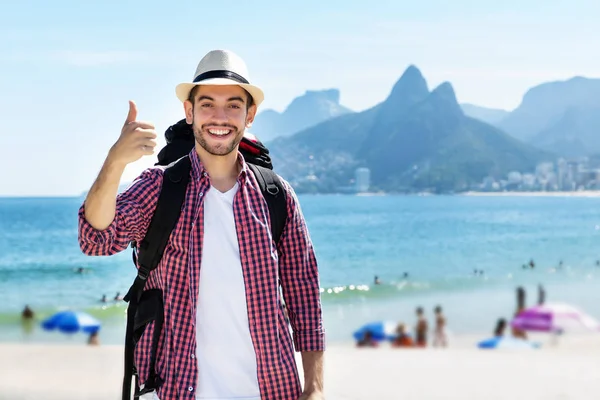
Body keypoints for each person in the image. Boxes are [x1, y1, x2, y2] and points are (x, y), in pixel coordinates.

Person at [78, 49, 325, 400]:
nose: (219, 117)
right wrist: (115, 160)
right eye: (207, 104)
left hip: (273, 390)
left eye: (233, 105)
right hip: (179, 389)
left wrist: (314, 388)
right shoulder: (159, 186)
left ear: (249, 115)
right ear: (189, 111)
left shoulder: (276, 194)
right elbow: (95, 239)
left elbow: (304, 292)